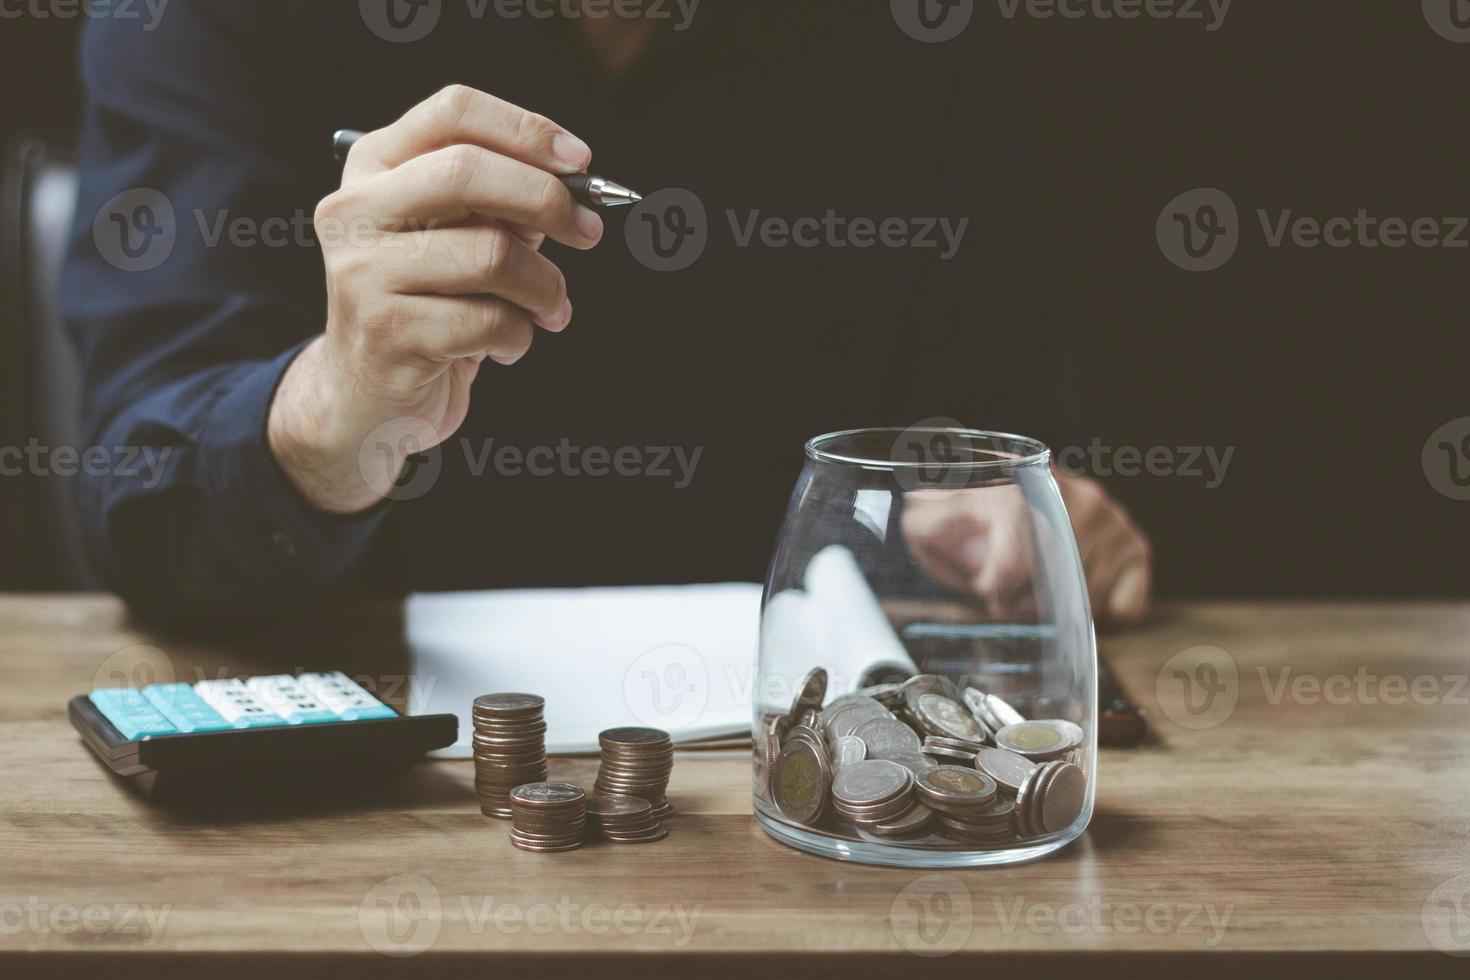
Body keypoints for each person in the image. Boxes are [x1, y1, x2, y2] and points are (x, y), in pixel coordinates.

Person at [63, 0, 1149, 625]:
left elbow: (990, 431)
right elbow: (139, 505)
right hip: (364, 786)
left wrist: (1019, 519)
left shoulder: (912, 34)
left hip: (800, 777)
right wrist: (330, 416)